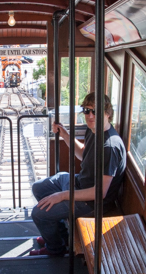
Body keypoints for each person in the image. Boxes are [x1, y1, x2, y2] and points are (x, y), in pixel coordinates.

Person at [29, 93, 126, 256]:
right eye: (86, 111)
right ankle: (60, 235)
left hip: (91, 203)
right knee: (39, 188)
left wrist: (63, 196)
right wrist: (65, 134)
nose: (90, 115)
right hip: (79, 183)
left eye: (95, 111)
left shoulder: (109, 147)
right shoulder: (94, 130)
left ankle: (55, 249)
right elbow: (82, 153)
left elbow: (99, 193)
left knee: (38, 214)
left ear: (108, 113)